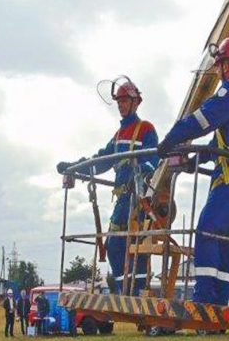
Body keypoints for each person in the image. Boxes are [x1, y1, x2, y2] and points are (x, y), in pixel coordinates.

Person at [156, 37, 229, 306]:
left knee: (206, 232)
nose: (217, 73)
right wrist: (195, 161)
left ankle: (205, 301)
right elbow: (223, 141)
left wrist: (171, 139)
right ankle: (220, 302)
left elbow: (203, 119)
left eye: (218, 68)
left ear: (225, 65)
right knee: (226, 240)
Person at [65, 79, 159, 295]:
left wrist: (142, 170)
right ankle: (125, 290)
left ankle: (137, 291)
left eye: (125, 100)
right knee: (115, 246)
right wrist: (77, 167)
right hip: (123, 199)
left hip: (139, 197)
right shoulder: (118, 136)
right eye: (119, 101)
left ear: (136, 102)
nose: (121, 105)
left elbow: (154, 159)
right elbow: (103, 160)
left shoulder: (145, 129)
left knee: (137, 246)